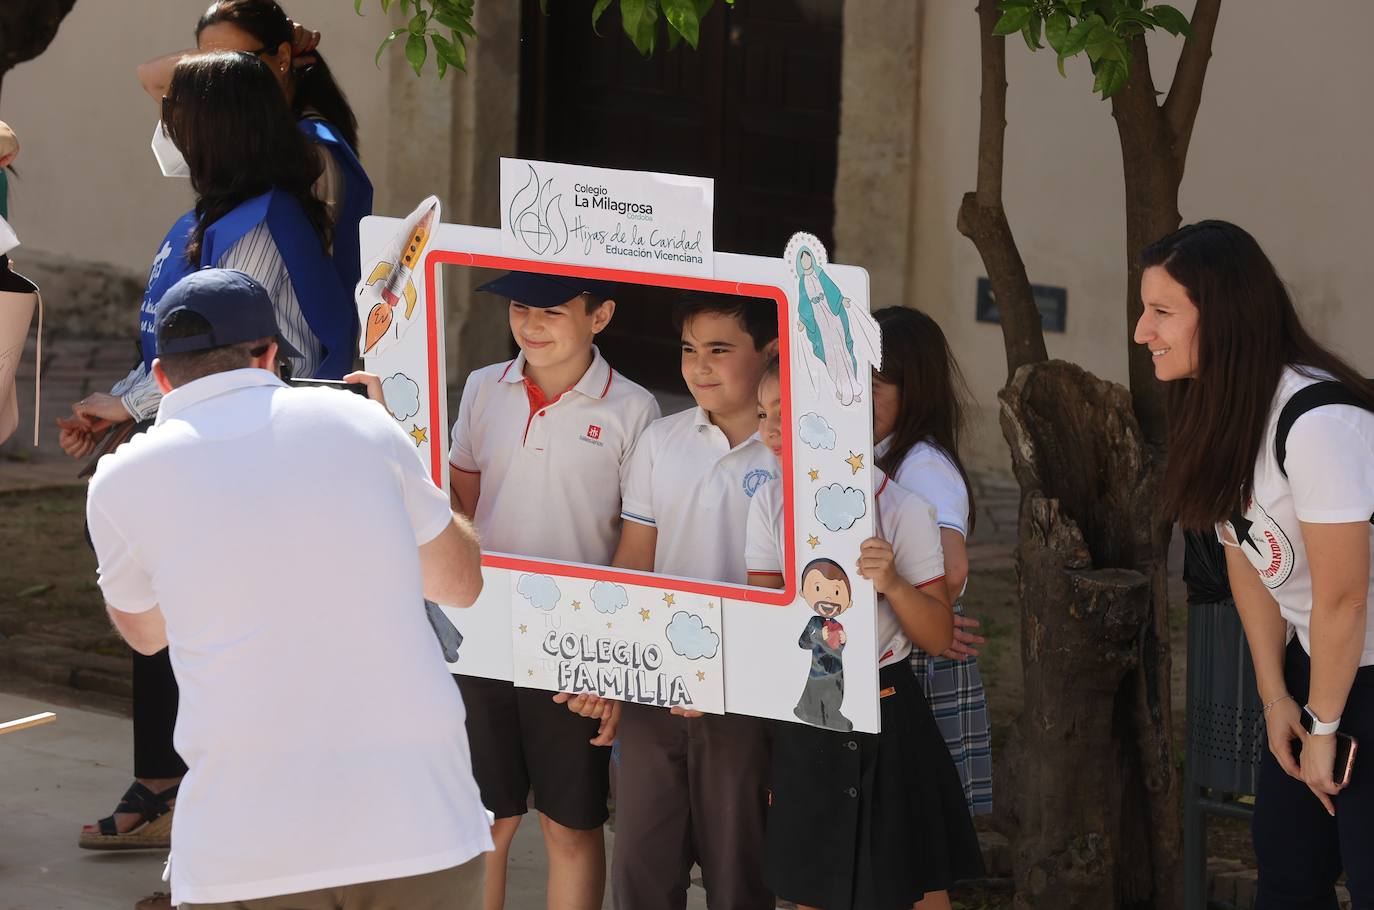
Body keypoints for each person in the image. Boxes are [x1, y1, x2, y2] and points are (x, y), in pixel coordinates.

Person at [86, 267, 491, 909]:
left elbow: (145, 633)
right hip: (417, 819)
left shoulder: (119, 479)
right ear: (271, 355)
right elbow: (460, 584)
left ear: (160, 378)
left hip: (245, 842)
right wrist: (402, 458)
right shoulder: (361, 423)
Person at [61, 49, 352, 850]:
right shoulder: (215, 212)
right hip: (206, 447)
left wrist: (125, 400)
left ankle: (225, 850)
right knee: (184, 642)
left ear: (216, 128)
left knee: (226, 660)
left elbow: (225, 347)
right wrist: (123, 405)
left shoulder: (266, 220)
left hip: (259, 462)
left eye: (179, 115)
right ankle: (190, 828)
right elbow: (181, 341)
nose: (167, 128)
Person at [1136, 219, 1374, 909]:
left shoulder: (1319, 421)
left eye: (1161, 312)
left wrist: (1325, 728)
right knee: (1288, 876)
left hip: (1358, 669)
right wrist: (1277, 698)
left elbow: (1344, 598)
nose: (1141, 332)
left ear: (1226, 317)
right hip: (1321, 668)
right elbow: (1245, 558)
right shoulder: (1225, 407)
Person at [446, 271, 659, 910]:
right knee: (482, 821)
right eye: (519, 308)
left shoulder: (634, 408)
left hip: (576, 642)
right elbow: (463, 498)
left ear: (601, 316)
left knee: (570, 824)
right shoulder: (485, 387)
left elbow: (636, 540)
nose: (531, 325)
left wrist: (612, 656)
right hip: (478, 629)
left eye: (552, 312)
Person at [744, 359, 986, 910]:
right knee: (812, 883)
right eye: (763, 414)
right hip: (808, 711)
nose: (770, 430)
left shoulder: (902, 507)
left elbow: (936, 632)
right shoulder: (770, 502)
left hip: (887, 707)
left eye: (787, 413)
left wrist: (894, 583)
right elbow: (760, 610)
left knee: (912, 883)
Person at [574, 295, 779, 910]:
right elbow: (635, 556)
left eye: (720, 350)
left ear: (769, 353)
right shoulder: (661, 440)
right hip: (653, 682)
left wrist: (731, 675)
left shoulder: (795, 454)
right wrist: (612, 668)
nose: (700, 367)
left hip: (747, 692)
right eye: (690, 350)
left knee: (740, 867)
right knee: (641, 863)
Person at [138, 0, 373, 289]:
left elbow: (291, 270)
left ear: (283, 59)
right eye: (210, 64)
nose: (221, 79)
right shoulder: (236, 130)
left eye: (236, 61)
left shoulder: (317, 148)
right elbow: (149, 76)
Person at [871, 307, 994, 841]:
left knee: (913, 834)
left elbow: (952, 565)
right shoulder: (879, 452)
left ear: (914, 389)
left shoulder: (922, 464)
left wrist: (930, 612)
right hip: (904, 640)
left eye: (877, 385)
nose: (860, 396)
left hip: (917, 653)